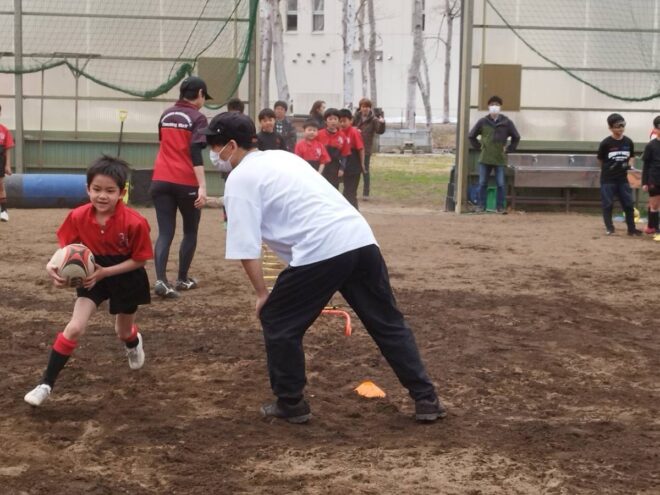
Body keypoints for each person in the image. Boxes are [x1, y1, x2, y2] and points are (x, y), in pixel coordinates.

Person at [201, 112, 446, 424]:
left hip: (321, 248)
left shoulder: (240, 179)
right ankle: (426, 399)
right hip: (360, 238)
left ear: (232, 145)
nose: (213, 154)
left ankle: (291, 403)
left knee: (277, 319)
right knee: (387, 322)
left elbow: (245, 248)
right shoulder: (282, 157)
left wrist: (263, 295)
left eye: (215, 146)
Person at [24, 156, 153, 407]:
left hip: (126, 277)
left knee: (122, 331)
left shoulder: (135, 222)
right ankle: (45, 384)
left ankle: (133, 342)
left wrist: (106, 272)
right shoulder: (77, 216)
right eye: (96, 189)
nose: (102, 196)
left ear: (122, 193)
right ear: (87, 189)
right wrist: (52, 264)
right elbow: (66, 248)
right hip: (92, 275)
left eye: (110, 191)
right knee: (74, 327)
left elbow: (140, 260)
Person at [150, 76, 210, 299]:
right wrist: (202, 185)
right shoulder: (198, 118)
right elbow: (195, 151)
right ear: (200, 93)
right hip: (186, 182)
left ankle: (161, 280)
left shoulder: (165, 114)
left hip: (160, 179)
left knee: (165, 232)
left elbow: (164, 143)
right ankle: (182, 279)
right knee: (190, 231)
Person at [468, 95, 520, 214]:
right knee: (482, 183)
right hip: (484, 158)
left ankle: (500, 207)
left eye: (497, 104)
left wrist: (509, 149)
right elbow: (471, 136)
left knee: (501, 184)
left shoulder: (507, 122)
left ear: (500, 107)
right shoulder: (482, 121)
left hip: (499, 158)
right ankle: (481, 206)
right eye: (492, 104)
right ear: (488, 106)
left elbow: (516, 137)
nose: (494, 107)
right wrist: (480, 147)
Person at [597, 113, 642, 236]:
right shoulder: (606, 143)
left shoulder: (628, 141)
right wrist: (608, 170)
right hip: (608, 179)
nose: (621, 128)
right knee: (608, 204)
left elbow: (631, 156)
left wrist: (629, 165)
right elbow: (600, 159)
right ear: (610, 128)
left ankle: (631, 229)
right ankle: (609, 228)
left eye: (623, 125)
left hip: (623, 179)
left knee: (628, 204)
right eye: (617, 126)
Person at [353, 98, 385, 199]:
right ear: (360, 108)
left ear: (370, 108)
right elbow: (349, 127)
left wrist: (382, 123)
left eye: (367, 107)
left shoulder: (374, 120)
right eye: (363, 107)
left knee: (365, 170)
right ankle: (352, 191)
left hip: (366, 149)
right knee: (354, 171)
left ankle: (366, 193)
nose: (365, 109)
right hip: (354, 148)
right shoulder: (355, 117)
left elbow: (379, 131)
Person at [338, 108, 366, 209]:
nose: (342, 124)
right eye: (340, 121)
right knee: (346, 190)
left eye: (344, 121)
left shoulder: (354, 132)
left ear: (351, 120)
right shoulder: (338, 132)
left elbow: (361, 149)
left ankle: (354, 212)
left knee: (350, 192)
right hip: (342, 164)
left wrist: (362, 164)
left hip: (353, 163)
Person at [317, 108, 349, 188]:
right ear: (325, 121)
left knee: (334, 188)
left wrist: (342, 168)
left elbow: (344, 154)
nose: (333, 121)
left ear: (338, 121)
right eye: (330, 119)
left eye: (335, 119)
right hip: (321, 165)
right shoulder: (319, 134)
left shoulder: (342, 136)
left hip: (335, 166)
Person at [641, 115, 660, 235]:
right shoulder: (651, 146)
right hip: (654, 178)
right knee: (654, 204)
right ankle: (654, 228)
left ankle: (652, 227)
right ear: (655, 129)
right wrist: (644, 182)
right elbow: (646, 165)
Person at [0, 104, 15, 222]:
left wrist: (7, 165)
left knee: (0, 185)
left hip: (0, 159)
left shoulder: (4, 130)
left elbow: (8, 148)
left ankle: (4, 211)